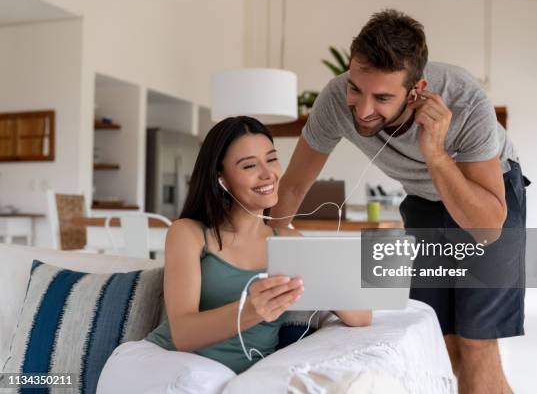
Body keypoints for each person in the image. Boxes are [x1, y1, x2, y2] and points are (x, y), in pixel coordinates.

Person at [270, 9, 529, 394]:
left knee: (476, 343)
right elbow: (292, 188)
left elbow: (488, 227)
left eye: (383, 97)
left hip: (485, 196)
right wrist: (263, 249)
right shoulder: (334, 101)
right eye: (356, 88)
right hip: (424, 202)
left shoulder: (467, 101)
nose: (362, 109)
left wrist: (436, 153)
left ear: (417, 90)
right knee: (438, 337)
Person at [97, 116, 371, 393]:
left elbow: (361, 317)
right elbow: (182, 334)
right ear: (221, 178)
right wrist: (252, 310)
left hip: (233, 382)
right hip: (165, 366)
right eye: (250, 165)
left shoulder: (290, 242)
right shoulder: (189, 234)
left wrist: (325, 274)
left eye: (272, 159)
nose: (268, 174)